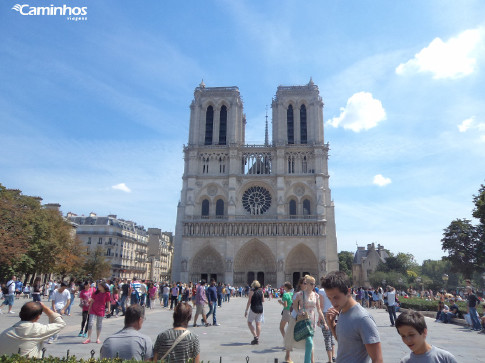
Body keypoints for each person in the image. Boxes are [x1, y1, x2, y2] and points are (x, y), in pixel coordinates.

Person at [322, 271, 383, 363]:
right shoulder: (342, 311)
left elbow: (377, 359)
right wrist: (331, 324)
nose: (333, 303)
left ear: (348, 291)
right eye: (329, 298)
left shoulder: (363, 319)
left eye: (336, 297)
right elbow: (345, 343)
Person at [0, 301, 66, 357]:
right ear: (38, 317)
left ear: (20, 314)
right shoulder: (36, 330)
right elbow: (61, 324)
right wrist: (46, 309)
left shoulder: (5, 333)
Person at [292, 275, 325, 363]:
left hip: (312, 320)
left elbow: (319, 309)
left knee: (309, 343)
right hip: (304, 319)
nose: (314, 285)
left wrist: (324, 322)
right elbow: (294, 304)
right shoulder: (300, 294)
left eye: (314, 283)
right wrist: (298, 311)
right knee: (310, 342)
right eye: (312, 283)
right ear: (308, 284)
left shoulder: (316, 295)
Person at [319, 276, 336, 363]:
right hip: (332, 312)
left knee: (327, 337)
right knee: (332, 335)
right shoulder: (332, 289)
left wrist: (319, 318)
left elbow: (321, 305)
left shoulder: (321, 291)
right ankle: (333, 356)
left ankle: (329, 360)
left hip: (325, 313)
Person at [244, 280, 264, 345]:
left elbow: (249, 301)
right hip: (260, 309)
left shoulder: (251, 292)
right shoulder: (261, 292)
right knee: (258, 324)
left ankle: (255, 337)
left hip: (253, 309)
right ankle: (257, 338)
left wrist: (246, 310)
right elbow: (263, 300)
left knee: (249, 323)